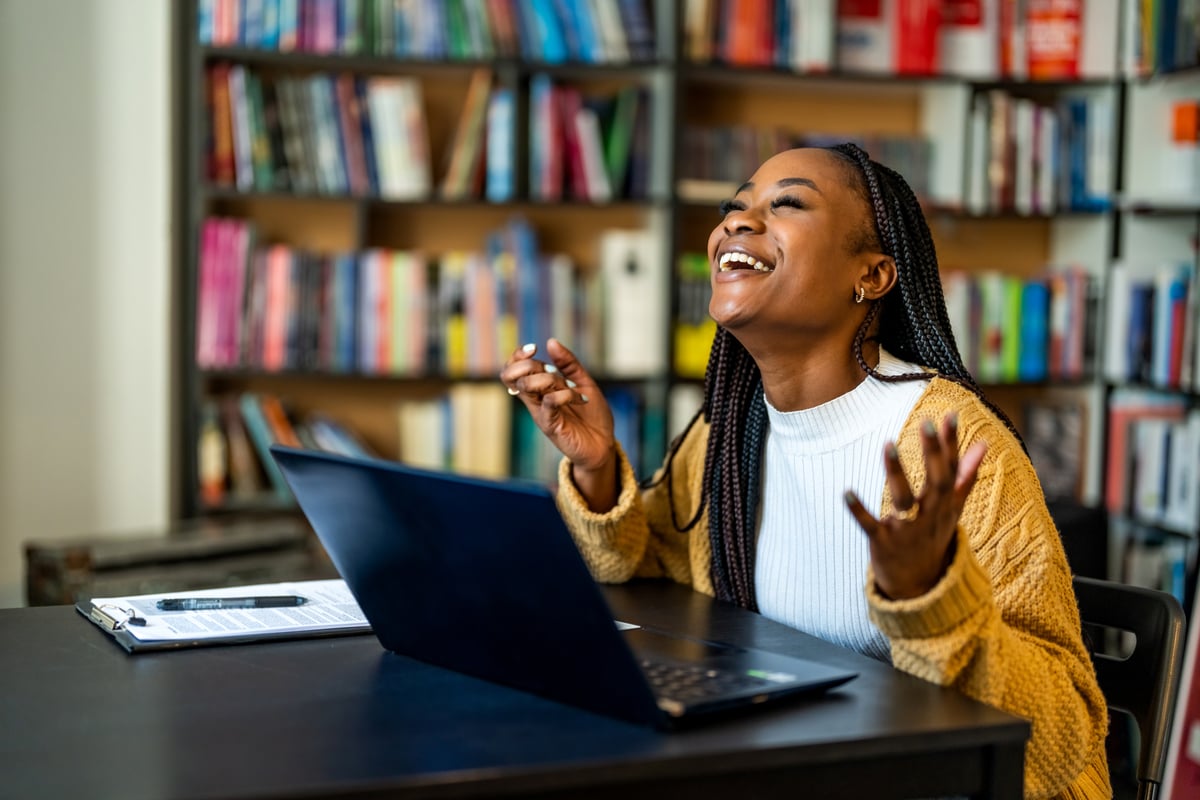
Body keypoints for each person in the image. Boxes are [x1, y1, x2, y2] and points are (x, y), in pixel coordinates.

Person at [499, 143, 1111, 800]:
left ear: (872, 276)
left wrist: (930, 594)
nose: (737, 221)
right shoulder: (727, 435)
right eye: (736, 208)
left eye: (785, 204)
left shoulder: (954, 448)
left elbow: (1057, 736)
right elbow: (646, 560)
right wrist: (595, 468)